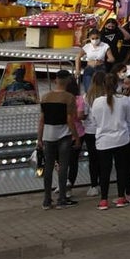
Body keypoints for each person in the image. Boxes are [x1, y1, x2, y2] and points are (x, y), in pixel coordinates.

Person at [89, 72, 130, 211]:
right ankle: (121, 197)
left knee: (104, 171)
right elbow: (129, 119)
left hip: (103, 141)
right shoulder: (124, 100)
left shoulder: (97, 102)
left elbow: (94, 121)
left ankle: (104, 200)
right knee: (122, 169)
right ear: (117, 84)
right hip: (121, 139)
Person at [37, 69, 79, 210]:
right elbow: (70, 120)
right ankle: (62, 198)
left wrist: (39, 139)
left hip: (48, 135)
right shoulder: (69, 97)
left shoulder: (45, 97)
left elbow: (41, 120)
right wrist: (76, 137)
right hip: (64, 136)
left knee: (48, 167)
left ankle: (47, 200)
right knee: (63, 167)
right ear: (68, 80)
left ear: (55, 80)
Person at [75, 29, 113, 95]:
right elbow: (77, 57)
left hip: (100, 69)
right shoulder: (87, 46)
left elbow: (111, 58)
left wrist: (109, 60)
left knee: (100, 89)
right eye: (93, 38)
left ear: (100, 37)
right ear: (89, 38)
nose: (95, 40)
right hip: (89, 68)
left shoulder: (105, 46)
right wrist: (77, 70)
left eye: (97, 38)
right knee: (88, 89)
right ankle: (89, 103)